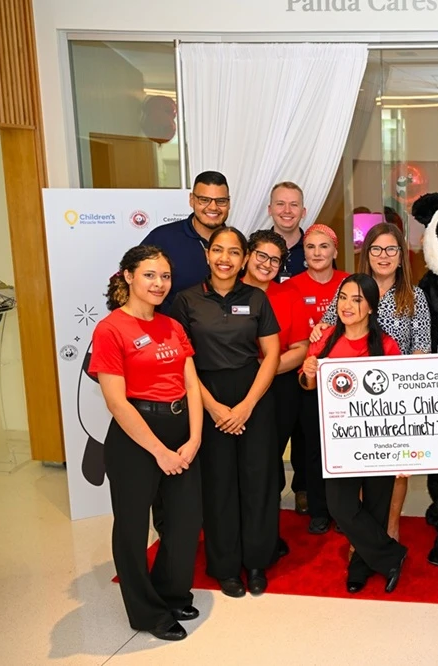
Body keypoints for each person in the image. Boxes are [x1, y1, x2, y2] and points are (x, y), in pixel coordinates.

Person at [89, 245, 202, 642]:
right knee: (133, 529)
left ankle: (171, 593)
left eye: (165, 276)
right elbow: (116, 402)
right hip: (136, 438)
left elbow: (191, 385)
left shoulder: (172, 325)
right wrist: (159, 452)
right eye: (150, 275)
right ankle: (146, 612)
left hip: (180, 431)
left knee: (185, 522)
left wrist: (194, 440)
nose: (159, 283)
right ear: (128, 276)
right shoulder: (110, 329)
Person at [170, 227, 281, 598]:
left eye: (234, 252)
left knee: (258, 480)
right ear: (207, 254)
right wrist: (213, 407)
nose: (225, 259)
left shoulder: (256, 298)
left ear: (244, 258)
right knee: (218, 485)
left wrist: (247, 405)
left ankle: (257, 561)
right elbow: (183, 362)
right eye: (218, 250)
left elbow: (272, 355)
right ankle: (226, 566)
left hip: (253, 396)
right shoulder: (186, 301)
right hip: (206, 396)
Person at [311, 223, 431, 539]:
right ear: (367, 254)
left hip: (398, 396)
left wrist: (407, 384)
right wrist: (318, 331)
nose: (383, 255)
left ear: (402, 256)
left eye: (391, 249)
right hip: (354, 399)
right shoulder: (353, 288)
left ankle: (390, 529)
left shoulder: (415, 296)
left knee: (396, 468)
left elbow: (421, 346)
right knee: (362, 465)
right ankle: (365, 535)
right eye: (376, 249)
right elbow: (328, 326)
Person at [301, 273, 408, 594]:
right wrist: (309, 372)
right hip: (338, 440)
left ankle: (362, 564)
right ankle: (391, 555)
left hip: (378, 438)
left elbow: (399, 398)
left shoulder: (386, 345)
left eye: (357, 300)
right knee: (340, 506)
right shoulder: (326, 338)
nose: (347, 305)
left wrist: (402, 448)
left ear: (371, 307)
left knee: (376, 505)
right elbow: (306, 385)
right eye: (343, 298)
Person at [241, 230, 309, 556]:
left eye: (275, 260)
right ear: (247, 255)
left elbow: (300, 349)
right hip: (232, 388)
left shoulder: (289, 294)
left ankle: (265, 532)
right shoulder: (226, 292)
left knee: (269, 462)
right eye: (261, 256)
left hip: (279, 388)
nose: (267, 264)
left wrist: (263, 369)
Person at [283, 224, 350, 524]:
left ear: (335, 251)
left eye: (324, 246)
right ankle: (310, 497)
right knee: (307, 440)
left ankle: (342, 502)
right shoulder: (290, 287)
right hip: (305, 373)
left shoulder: (348, 282)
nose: (317, 253)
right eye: (311, 247)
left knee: (340, 441)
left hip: (343, 376)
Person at [141, 170, 231, 311]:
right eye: (204, 200)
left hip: (224, 324)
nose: (213, 207)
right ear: (191, 200)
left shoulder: (236, 244)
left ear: (229, 203)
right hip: (171, 324)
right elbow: (133, 284)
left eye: (221, 201)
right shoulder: (163, 238)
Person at [267, 181, 308, 283]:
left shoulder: (316, 250)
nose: (287, 210)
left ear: (303, 212)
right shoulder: (255, 249)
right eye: (280, 204)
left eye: (294, 205)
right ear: (270, 210)